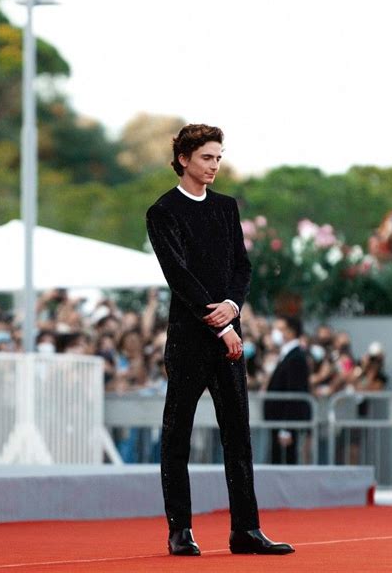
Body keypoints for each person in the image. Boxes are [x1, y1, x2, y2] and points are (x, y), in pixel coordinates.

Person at [145, 124, 294, 557]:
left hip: (229, 334)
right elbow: (180, 276)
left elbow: (241, 267)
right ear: (185, 158)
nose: (214, 165)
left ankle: (246, 530)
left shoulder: (227, 208)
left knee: (238, 435)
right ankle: (180, 531)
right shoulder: (163, 211)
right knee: (178, 435)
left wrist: (234, 304)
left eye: (219, 158)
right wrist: (221, 323)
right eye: (208, 157)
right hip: (192, 340)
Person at [264, 315, 310, 464]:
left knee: (286, 464)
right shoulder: (287, 355)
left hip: (285, 425)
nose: (276, 333)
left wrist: (287, 428)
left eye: (280, 329)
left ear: (290, 332)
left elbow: (294, 393)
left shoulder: (296, 357)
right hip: (277, 422)